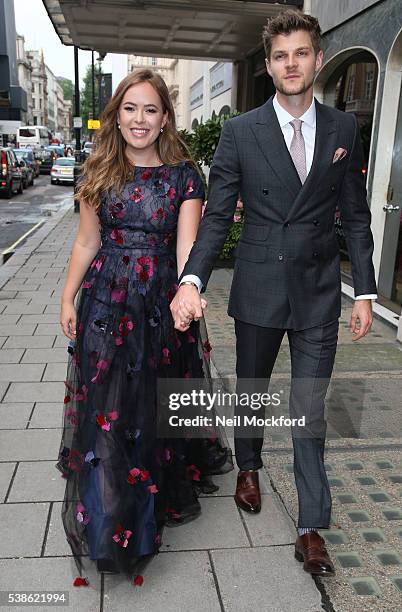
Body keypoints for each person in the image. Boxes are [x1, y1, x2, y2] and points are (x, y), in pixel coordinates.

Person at [171, 10, 377, 577]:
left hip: (316, 292)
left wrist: (363, 292)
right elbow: (216, 219)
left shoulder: (342, 129)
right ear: (269, 65)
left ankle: (311, 527)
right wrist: (191, 278)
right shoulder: (241, 132)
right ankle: (248, 464)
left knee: (310, 411)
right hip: (259, 286)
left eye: (302, 53)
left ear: (316, 57)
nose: (292, 63)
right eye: (281, 55)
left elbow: (355, 217)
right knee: (255, 389)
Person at [56, 68, 233, 581]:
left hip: (158, 307)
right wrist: (67, 297)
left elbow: (187, 249)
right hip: (106, 305)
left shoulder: (184, 176)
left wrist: (188, 291)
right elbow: (87, 243)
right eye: (130, 108)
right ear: (116, 116)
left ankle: (146, 501)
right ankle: (112, 520)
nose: (139, 119)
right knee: (107, 409)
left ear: (164, 119)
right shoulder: (99, 172)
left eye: (150, 109)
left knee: (151, 409)